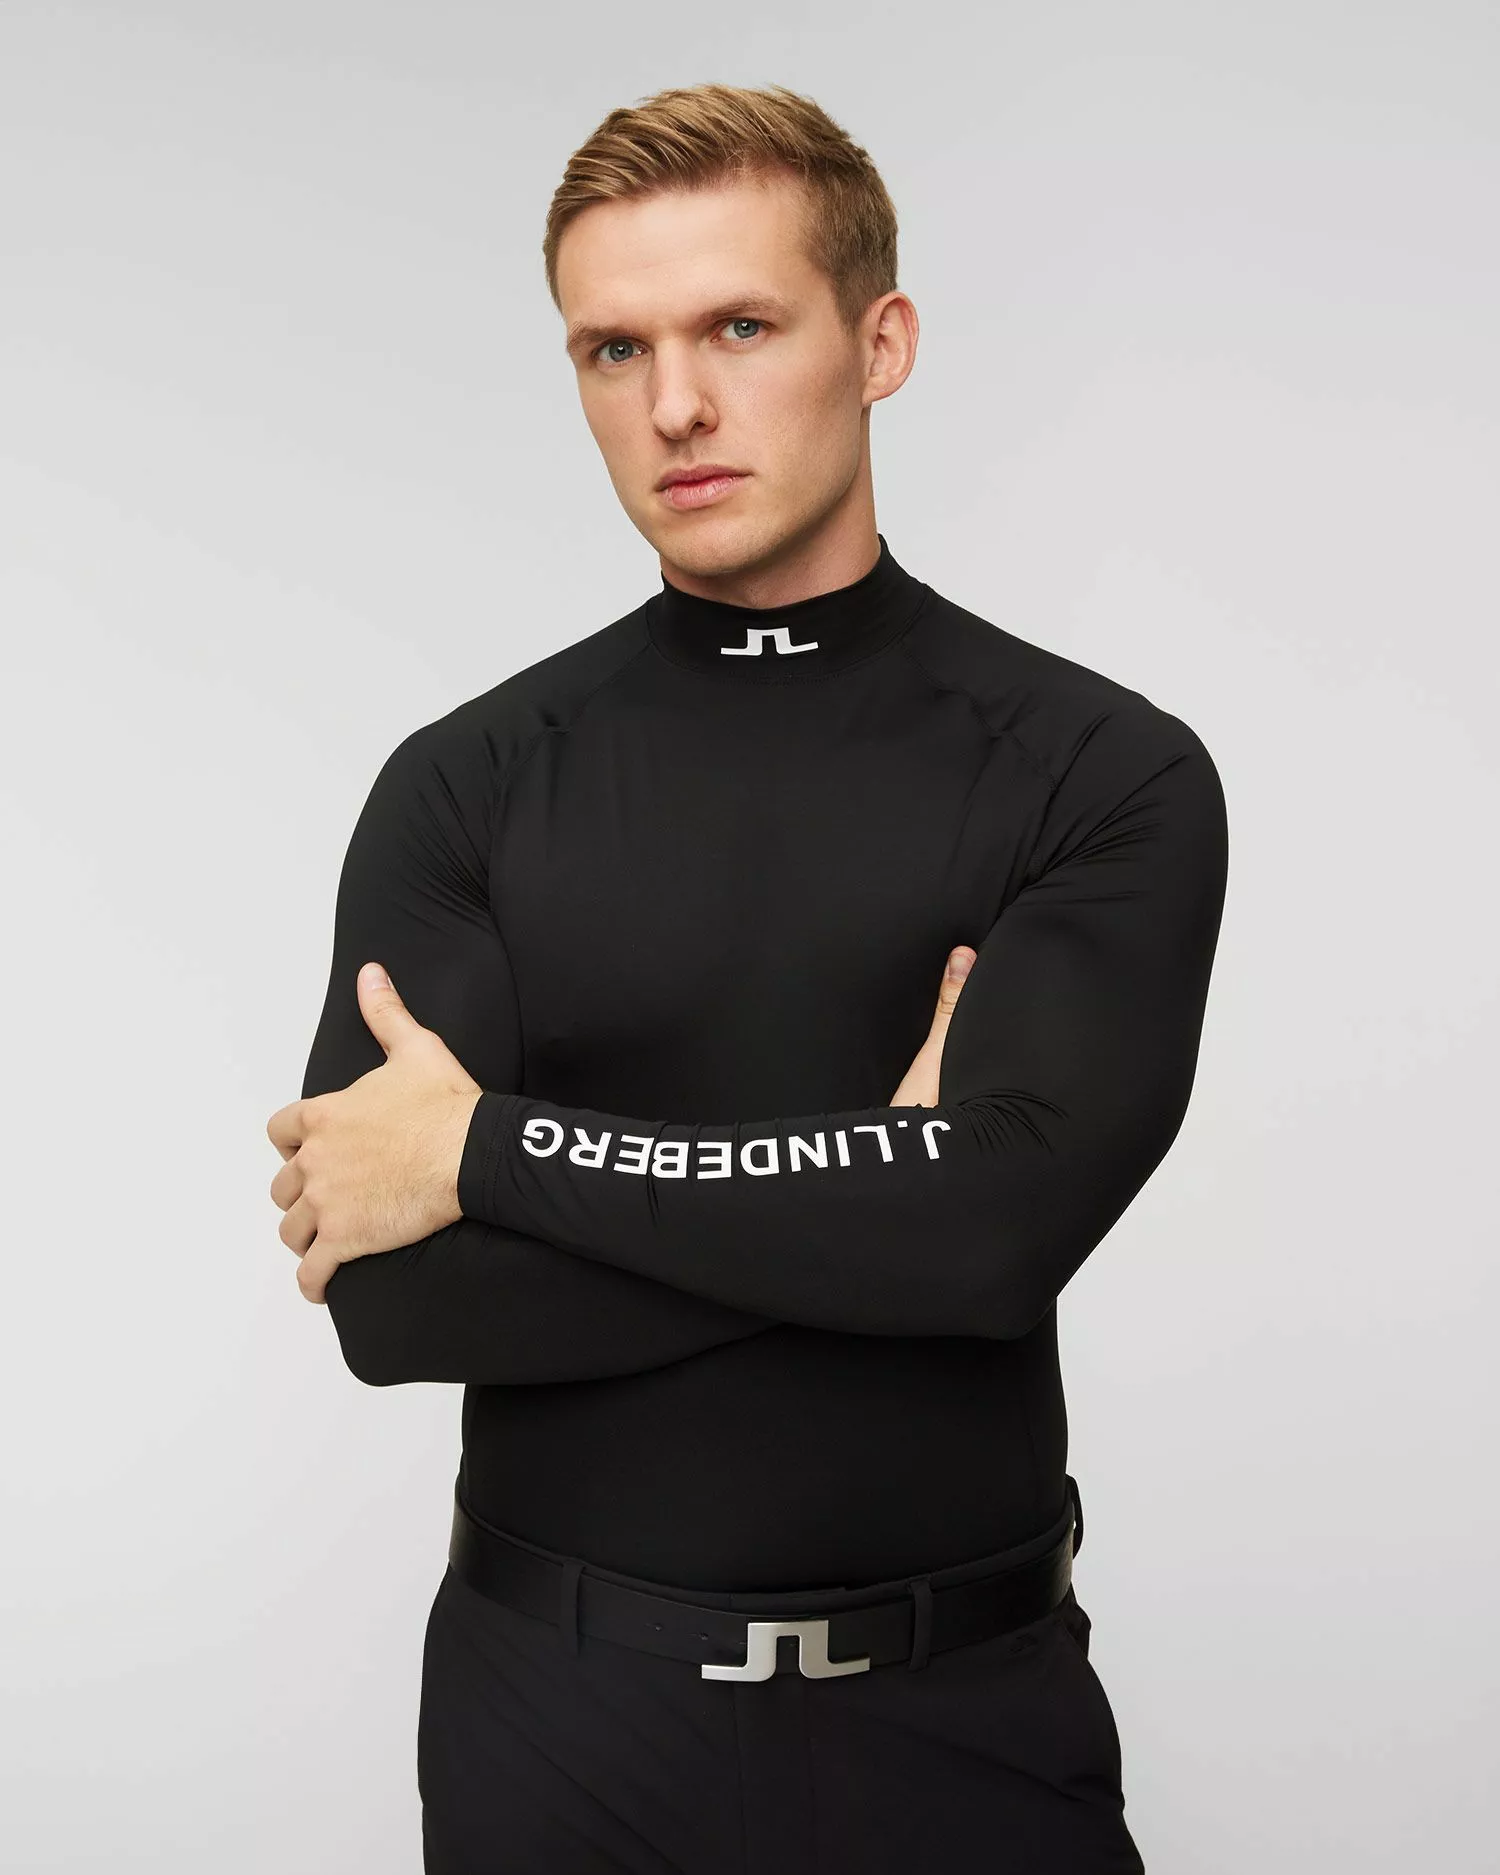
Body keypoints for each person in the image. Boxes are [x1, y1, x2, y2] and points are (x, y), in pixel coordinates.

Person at [267, 80, 1228, 1874]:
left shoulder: (1099, 773)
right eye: (612, 349)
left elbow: (991, 1239)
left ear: (881, 343)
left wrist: (491, 1153)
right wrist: (882, 1183)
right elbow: (397, 1311)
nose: (674, 406)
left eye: (739, 327)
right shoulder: (468, 785)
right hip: (558, 1732)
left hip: (962, 1724)